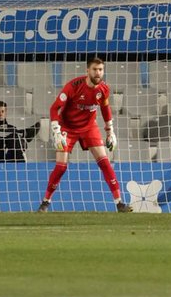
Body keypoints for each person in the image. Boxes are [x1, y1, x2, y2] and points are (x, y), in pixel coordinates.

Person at [38, 55, 133, 213]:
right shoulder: (73, 86)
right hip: (67, 128)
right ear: (87, 70)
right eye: (95, 69)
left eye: (101, 70)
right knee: (61, 167)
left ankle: (119, 203)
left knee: (105, 163)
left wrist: (110, 131)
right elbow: (54, 108)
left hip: (89, 127)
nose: (98, 73)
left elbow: (105, 109)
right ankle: (45, 202)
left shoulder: (103, 89)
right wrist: (56, 131)